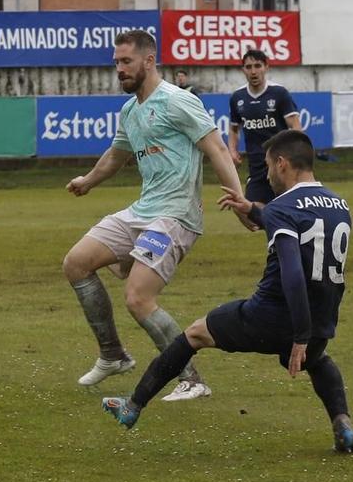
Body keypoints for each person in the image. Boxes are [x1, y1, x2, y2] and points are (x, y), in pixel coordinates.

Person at [102, 129, 353, 454]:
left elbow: (293, 272)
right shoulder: (339, 205)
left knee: (194, 334)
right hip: (323, 318)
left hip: (273, 317)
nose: (266, 173)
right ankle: (343, 425)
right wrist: (252, 208)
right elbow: (301, 227)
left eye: (267, 166)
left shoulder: (283, 206)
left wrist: (300, 335)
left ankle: (132, 407)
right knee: (318, 360)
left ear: (282, 164)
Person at [62, 29, 248, 402]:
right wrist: (88, 181)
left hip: (174, 216)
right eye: (116, 62)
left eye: (126, 61)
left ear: (149, 61)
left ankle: (191, 378)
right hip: (141, 211)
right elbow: (116, 155)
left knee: (138, 298)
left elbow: (215, 149)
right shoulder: (130, 110)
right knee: (76, 263)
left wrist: (240, 199)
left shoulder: (179, 101)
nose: (119, 69)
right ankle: (113, 355)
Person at [226, 47, 302, 205]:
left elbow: (294, 125)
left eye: (258, 66)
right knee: (251, 212)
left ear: (266, 67)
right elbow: (234, 128)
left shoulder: (279, 93)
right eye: (248, 67)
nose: (253, 71)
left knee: (287, 208)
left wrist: (297, 153)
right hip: (256, 165)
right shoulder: (237, 97)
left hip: (280, 163)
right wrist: (232, 150)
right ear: (243, 70)